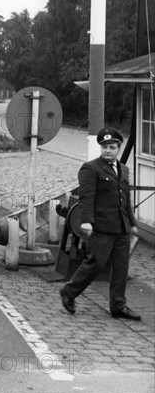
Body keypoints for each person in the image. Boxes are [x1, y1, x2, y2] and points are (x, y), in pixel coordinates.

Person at [60, 127, 140, 321]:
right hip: (100, 227)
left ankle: (118, 306)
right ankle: (69, 292)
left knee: (121, 267)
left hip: (121, 228)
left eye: (112, 147)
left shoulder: (124, 169)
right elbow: (86, 197)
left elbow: (125, 199)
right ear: (100, 148)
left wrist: (132, 223)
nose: (108, 150)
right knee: (95, 264)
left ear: (118, 148)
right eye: (104, 147)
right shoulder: (90, 168)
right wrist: (86, 221)